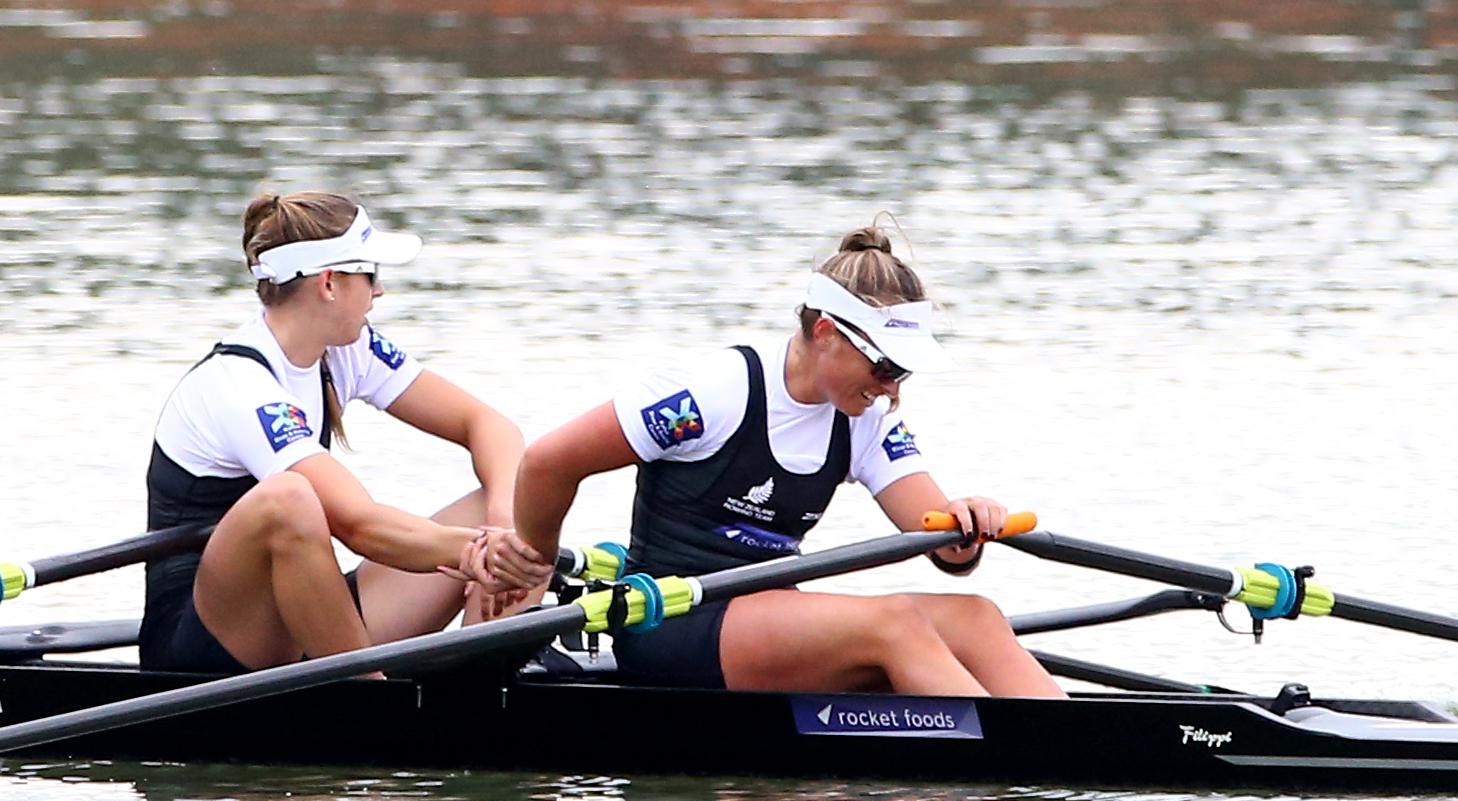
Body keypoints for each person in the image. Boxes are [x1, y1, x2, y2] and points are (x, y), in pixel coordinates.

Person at [505, 223, 1063, 698]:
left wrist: (966, 522)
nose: (892, 391)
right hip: (672, 624)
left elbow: (941, 542)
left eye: (903, 373)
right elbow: (549, 462)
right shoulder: (713, 393)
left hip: (770, 618)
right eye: (885, 369)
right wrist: (533, 563)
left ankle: (1083, 747)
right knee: (894, 624)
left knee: (977, 618)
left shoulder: (867, 418)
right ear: (826, 334)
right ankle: (1018, 759)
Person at [143, 190, 551, 673]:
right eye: (371, 275)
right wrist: (480, 552)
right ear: (330, 283)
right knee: (288, 499)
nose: (379, 291)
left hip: (304, 606)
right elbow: (359, 525)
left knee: (527, 503)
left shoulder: (347, 349)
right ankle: (371, 702)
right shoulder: (238, 383)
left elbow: (488, 426)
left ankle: (475, 694)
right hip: (207, 641)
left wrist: (505, 527)